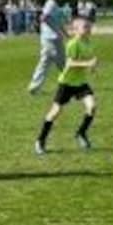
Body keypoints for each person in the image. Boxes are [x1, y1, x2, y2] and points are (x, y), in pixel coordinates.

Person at [35, 17, 98, 155]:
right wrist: (88, 64)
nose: (88, 29)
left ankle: (81, 133)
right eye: (85, 27)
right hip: (67, 83)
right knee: (55, 112)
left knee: (92, 107)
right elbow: (69, 64)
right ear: (75, 30)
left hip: (81, 82)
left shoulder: (88, 43)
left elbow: (87, 61)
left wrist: (92, 66)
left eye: (89, 26)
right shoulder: (72, 44)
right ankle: (40, 140)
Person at [28, 0, 68, 94]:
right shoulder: (51, 4)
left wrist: (66, 34)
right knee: (62, 63)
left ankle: (34, 87)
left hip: (49, 38)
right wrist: (54, 29)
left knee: (44, 62)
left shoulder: (54, 5)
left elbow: (58, 22)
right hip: (52, 38)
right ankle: (71, 84)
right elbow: (44, 17)